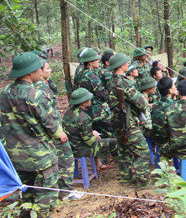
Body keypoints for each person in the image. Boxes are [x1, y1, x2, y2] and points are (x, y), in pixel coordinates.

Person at [0, 52, 68, 216]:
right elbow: (50, 123)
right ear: (30, 72)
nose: (40, 71)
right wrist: (61, 134)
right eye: (38, 68)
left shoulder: (5, 92)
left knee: (26, 198)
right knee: (45, 199)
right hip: (40, 156)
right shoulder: (35, 94)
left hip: (15, 156)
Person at [33, 57, 81, 201]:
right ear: (39, 72)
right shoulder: (40, 88)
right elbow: (47, 114)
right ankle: (66, 192)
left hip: (48, 131)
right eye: (47, 68)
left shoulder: (44, 84)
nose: (50, 70)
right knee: (66, 158)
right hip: (52, 132)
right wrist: (58, 131)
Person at [107, 53, 152, 188]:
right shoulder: (124, 82)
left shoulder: (111, 81)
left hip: (117, 120)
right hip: (128, 121)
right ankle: (143, 182)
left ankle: (126, 178)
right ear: (121, 66)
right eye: (126, 62)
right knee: (142, 151)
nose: (128, 64)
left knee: (124, 150)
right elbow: (140, 101)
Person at [63, 88, 118, 170]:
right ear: (83, 103)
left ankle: (98, 164)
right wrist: (94, 135)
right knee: (114, 142)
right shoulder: (84, 117)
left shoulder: (68, 112)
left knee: (97, 137)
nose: (90, 100)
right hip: (80, 149)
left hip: (70, 146)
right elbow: (89, 142)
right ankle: (121, 167)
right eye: (88, 99)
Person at [73, 48, 112, 138]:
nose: (98, 61)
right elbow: (103, 94)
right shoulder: (91, 76)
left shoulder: (80, 73)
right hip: (96, 110)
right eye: (96, 60)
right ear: (90, 63)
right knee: (110, 132)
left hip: (85, 109)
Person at [150, 77, 177, 146]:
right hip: (167, 140)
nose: (175, 87)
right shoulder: (173, 106)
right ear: (170, 91)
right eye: (173, 85)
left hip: (156, 137)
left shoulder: (157, 100)